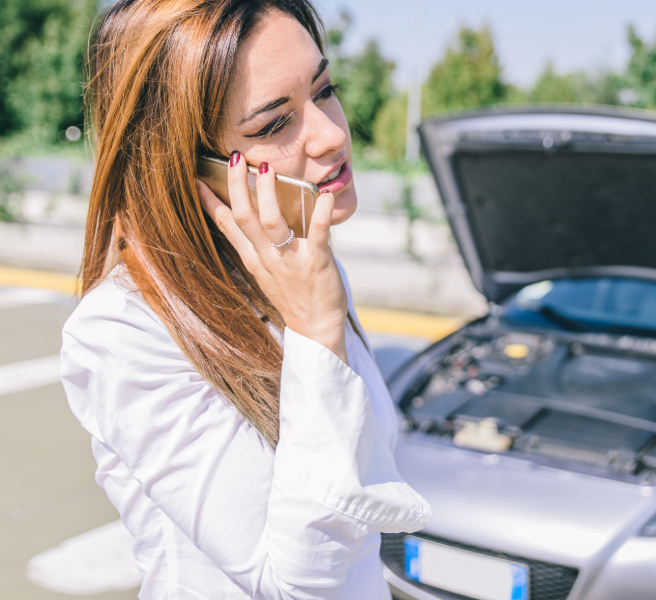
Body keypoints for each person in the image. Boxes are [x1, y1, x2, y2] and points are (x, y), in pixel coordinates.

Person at [60, 0, 431, 597]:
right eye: (273, 124)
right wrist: (316, 330)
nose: (333, 133)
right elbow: (292, 584)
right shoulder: (122, 331)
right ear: (190, 166)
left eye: (325, 88)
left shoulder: (297, 265)